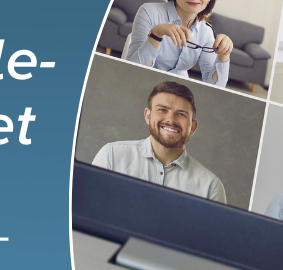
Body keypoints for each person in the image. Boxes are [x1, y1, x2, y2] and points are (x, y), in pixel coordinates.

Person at [91, 80, 226, 202]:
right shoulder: (111, 156)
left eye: (181, 114)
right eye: (162, 109)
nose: (171, 120)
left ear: (193, 127)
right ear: (148, 116)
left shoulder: (210, 187)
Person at [120, 0, 234, 87]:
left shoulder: (206, 32)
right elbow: (133, 71)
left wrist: (224, 55)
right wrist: (156, 34)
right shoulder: (149, 12)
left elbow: (213, 87)